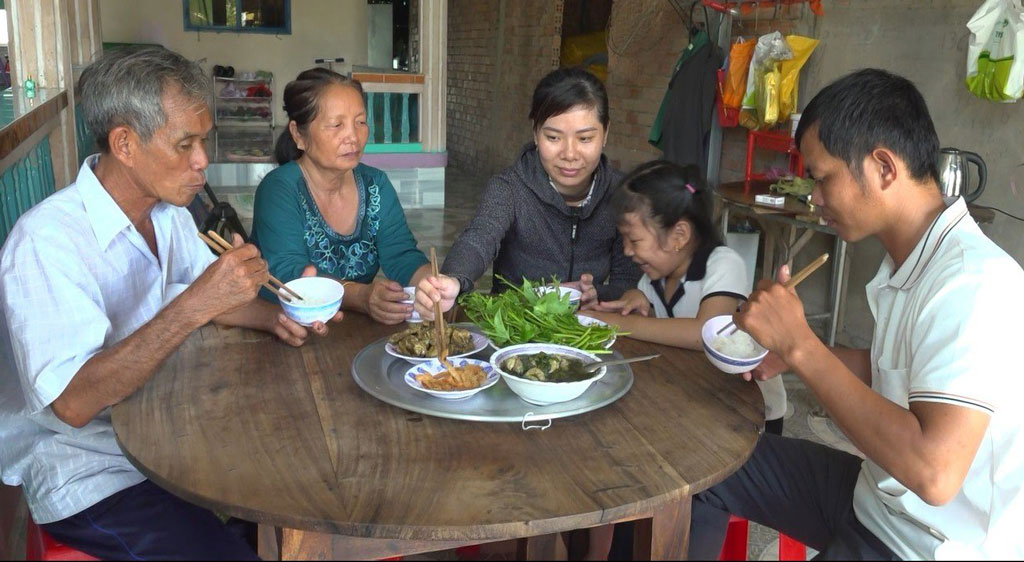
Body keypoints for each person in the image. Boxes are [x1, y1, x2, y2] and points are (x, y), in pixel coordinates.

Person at [0, 46, 341, 560]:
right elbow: (73, 403)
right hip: (94, 471)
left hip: (171, 437)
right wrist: (197, 303)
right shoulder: (46, 243)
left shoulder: (168, 214)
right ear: (125, 143)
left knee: (306, 489)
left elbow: (211, 298)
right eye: (185, 144)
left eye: (203, 141)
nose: (202, 160)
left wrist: (279, 316)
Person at [688, 68, 1024, 560]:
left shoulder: (975, 282)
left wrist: (801, 347)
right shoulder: (914, 261)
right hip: (876, 499)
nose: (815, 197)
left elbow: (934, 473)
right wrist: (789, 353)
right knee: (701, 465)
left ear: (884, 167)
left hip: (925, 544)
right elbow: (897, 370)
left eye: (822, 178)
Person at [576, 160, 787, 560]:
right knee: (628, 466)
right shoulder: (654, 276)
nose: (627, 251)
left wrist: (616, 325)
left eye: (634, 240)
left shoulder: (723, 264)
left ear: (679, 236)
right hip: (700, 403)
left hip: (748, 417)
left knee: (693, 493)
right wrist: (636, 302)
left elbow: (703, 332)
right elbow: (656, 317)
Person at [413, 67, 641, 319]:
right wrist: (454, 279)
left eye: (585, 139)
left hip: (585, 327)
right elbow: (478, 239)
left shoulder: (621, 194)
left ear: (605, 133)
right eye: (553, 137)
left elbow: (627, 281)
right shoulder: (510, 188)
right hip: (514, 325)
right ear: (535, 133)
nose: (569, 154)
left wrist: (599, 294)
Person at [251, 67, 430, 325]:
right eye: (337, 125)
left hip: (351, 327)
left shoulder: (375, 185)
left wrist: (432, 286)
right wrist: (362, 296)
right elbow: (292, 274)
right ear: (298, 134)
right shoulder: (279, 189)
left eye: (361, 122)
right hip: (284, 326)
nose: (353, 137)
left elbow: (402, 255)